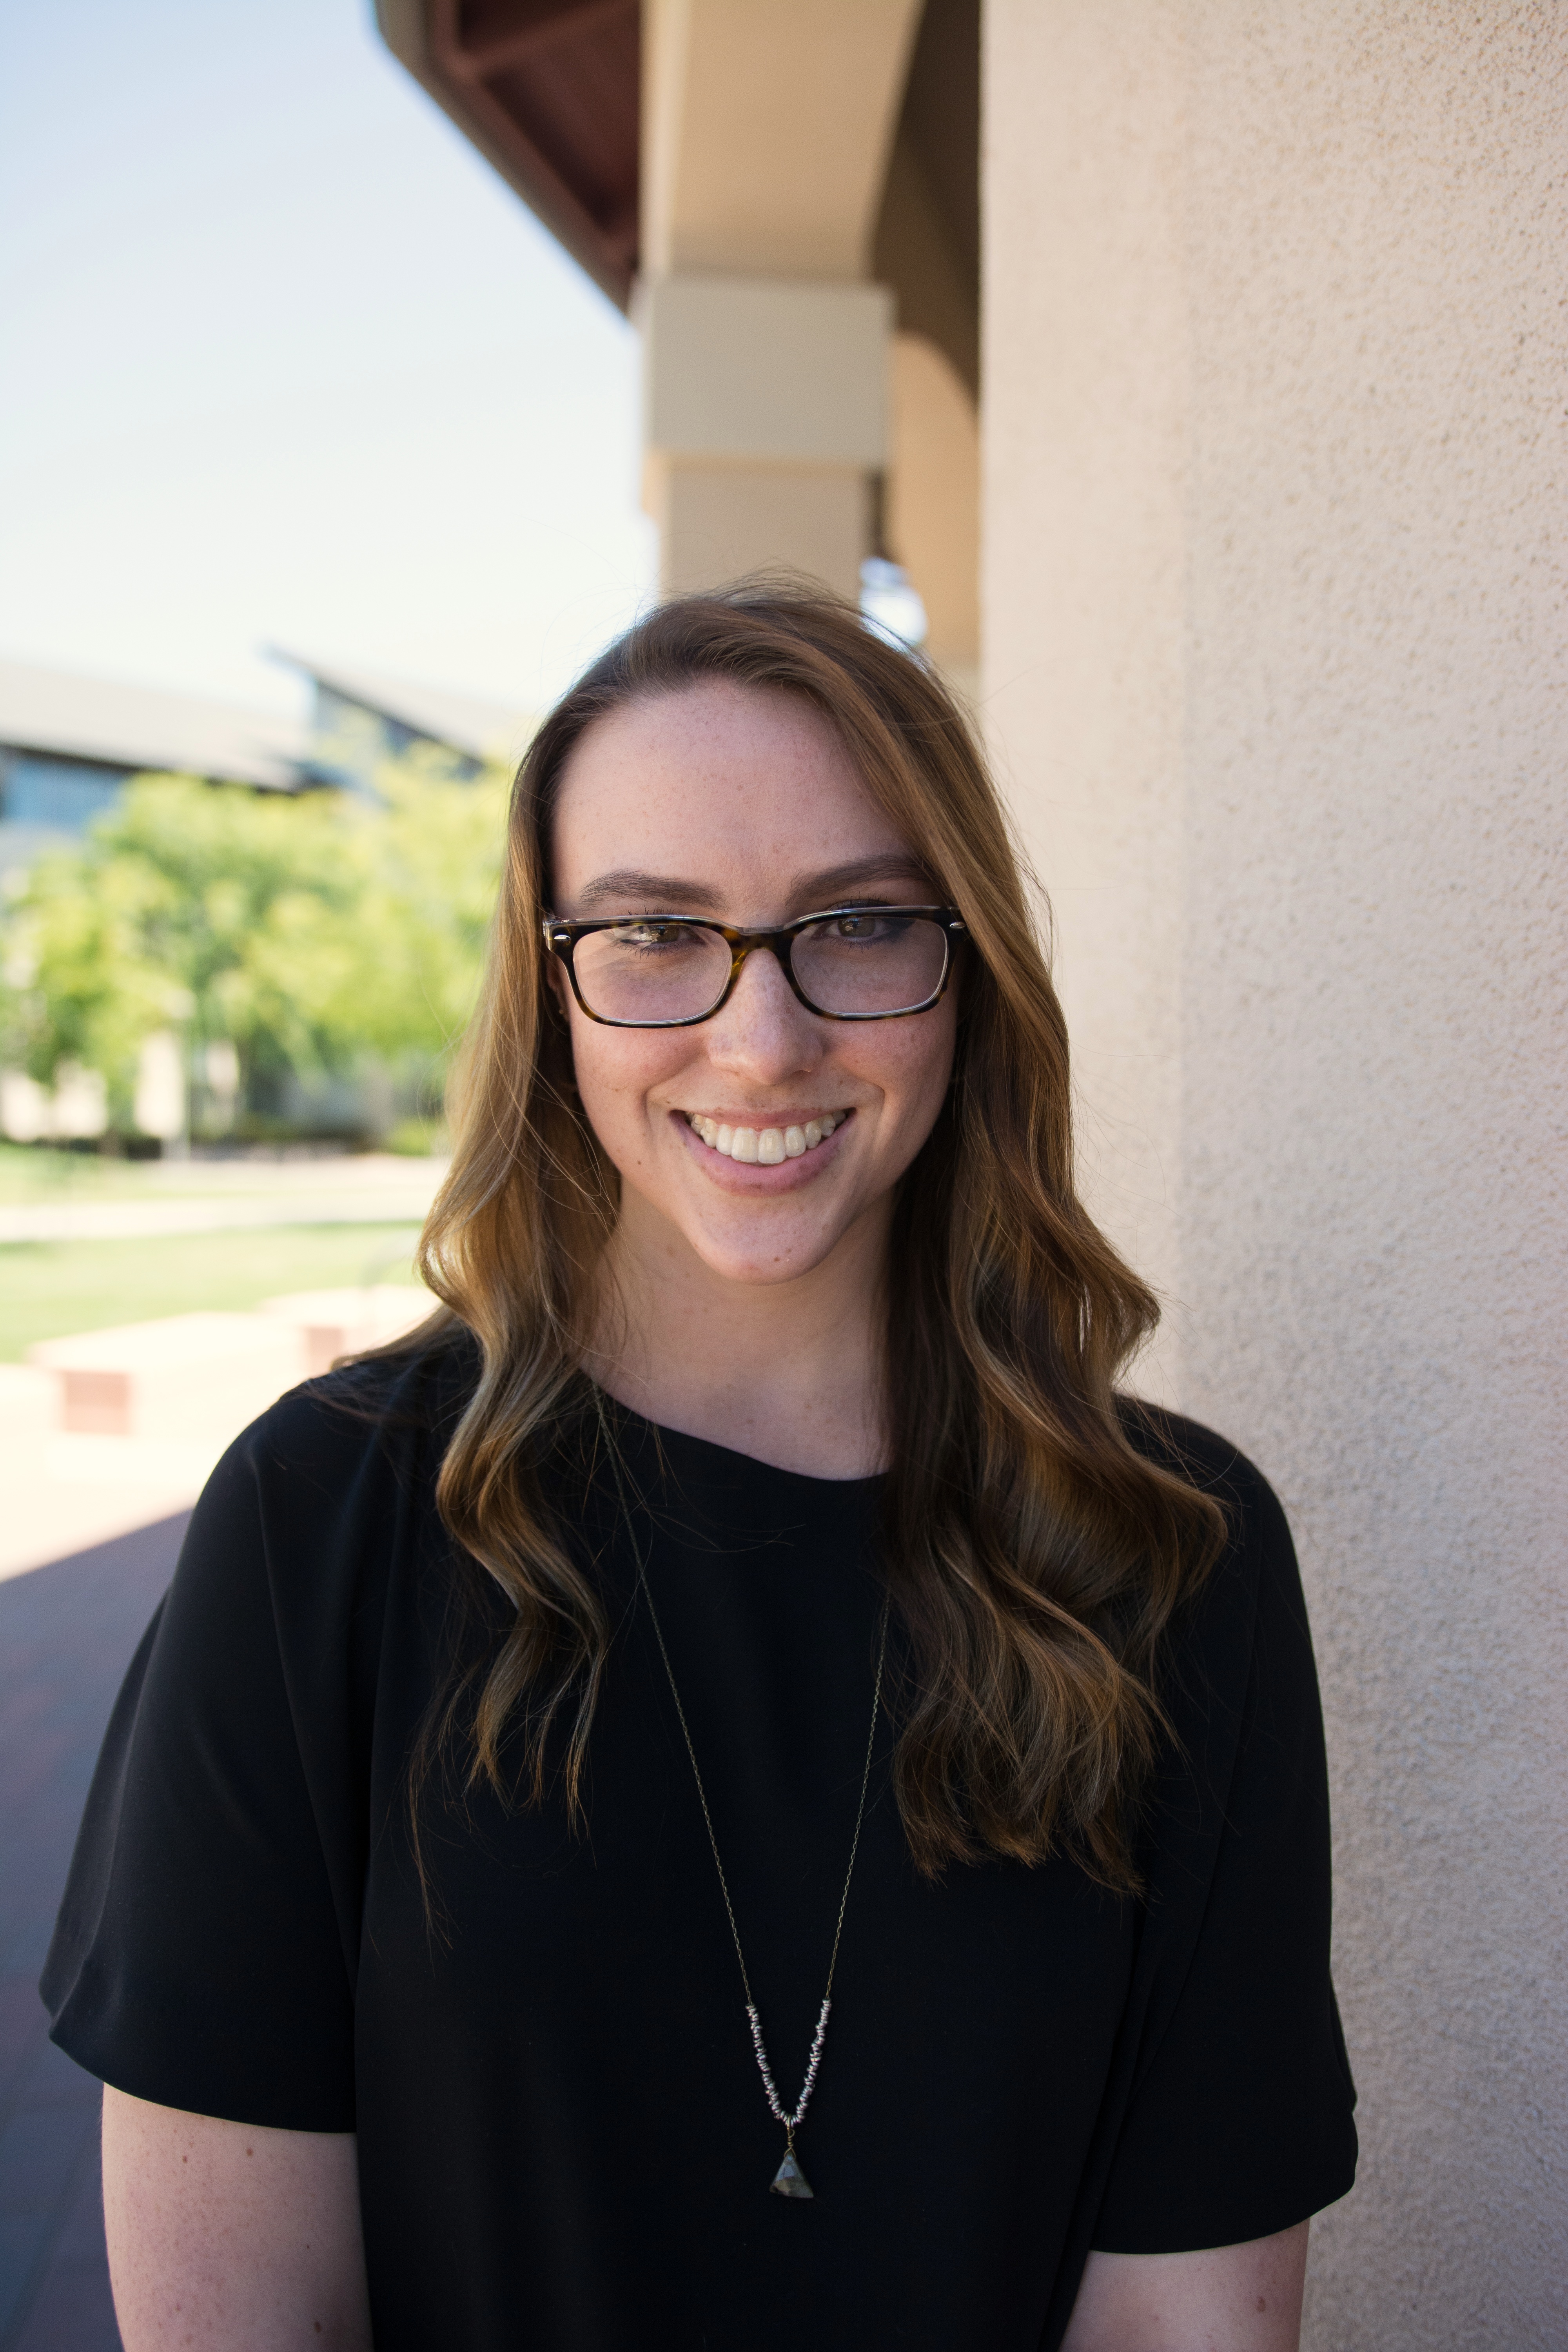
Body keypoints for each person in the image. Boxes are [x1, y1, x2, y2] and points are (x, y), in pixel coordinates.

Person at [44, 586, 1356, 2352]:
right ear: (552, 982)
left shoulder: (1172, 1555)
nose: (762, 1040)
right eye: (657, 933)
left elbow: (1184, 2318)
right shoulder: (320, 1521)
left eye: (859, 921)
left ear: (964, 965)